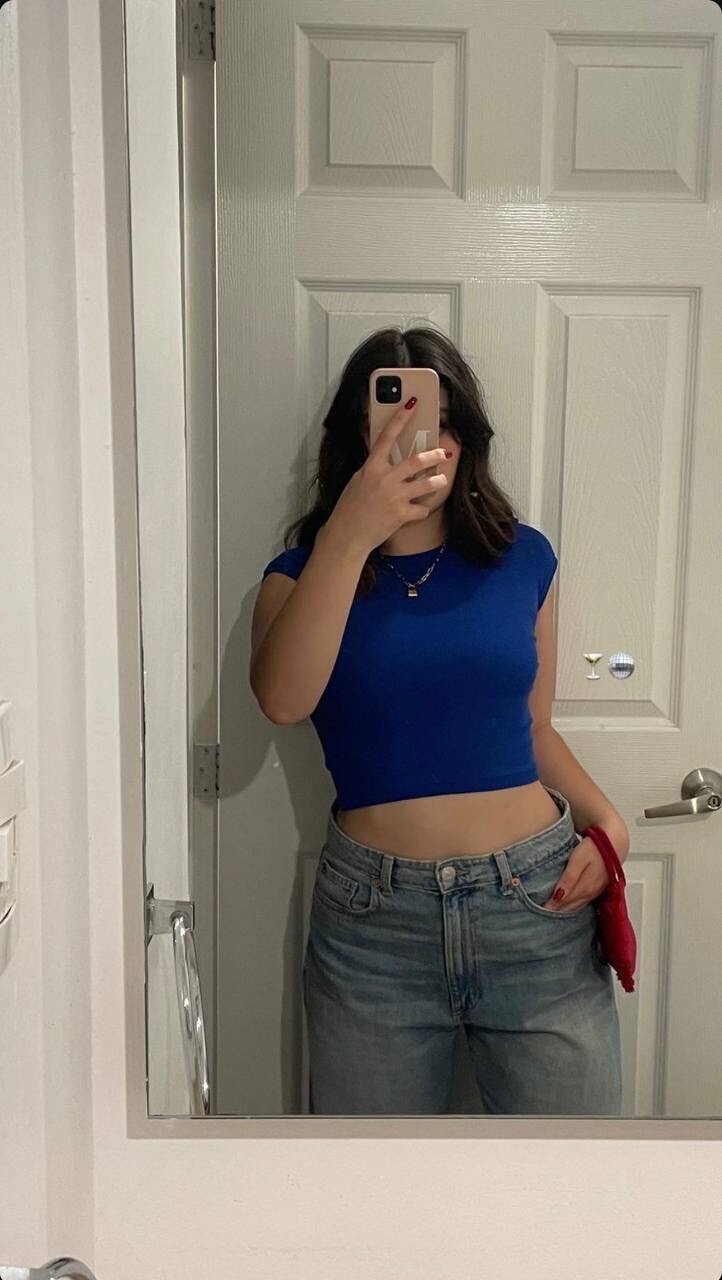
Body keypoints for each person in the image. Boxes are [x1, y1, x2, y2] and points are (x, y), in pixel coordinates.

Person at [251, 326, 625, 1116]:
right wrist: (352, 533)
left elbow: (534, 729)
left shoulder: (522, 560)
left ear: (467, 440)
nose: (425, 443)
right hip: (373, 927)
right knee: (371, 1180)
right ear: (356, 438)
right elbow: (284, 700)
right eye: (392, 421)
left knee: (571, 1172)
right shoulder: (298, 577)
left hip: (537, 905)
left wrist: (610, 826)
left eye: (441, 422)